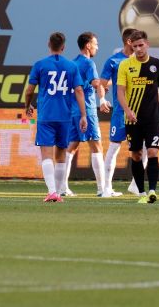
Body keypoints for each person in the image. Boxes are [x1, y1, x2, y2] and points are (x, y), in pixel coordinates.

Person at [24, 32, 87, 202]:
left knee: (46, 155)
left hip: (46, 116)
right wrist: (83, 115)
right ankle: (58, 193)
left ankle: (52, 191)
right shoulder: (72, 66)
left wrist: (27, 105)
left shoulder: (40, 65)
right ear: (63, 47)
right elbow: (79, 90)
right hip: (65, 116)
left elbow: (29, 90)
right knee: (61, 156)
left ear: (48, 44)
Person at [116, 29, 159, 204]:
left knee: (153, 152)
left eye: (141, 45)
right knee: (137, 155)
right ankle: (141, 193)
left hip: (153, 117)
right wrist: (127, 111)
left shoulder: (158, 65)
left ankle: (152, 191)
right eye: (135, 46)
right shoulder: (125, 65)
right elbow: (120, 92)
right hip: (133, 118)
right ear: (131, 46)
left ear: (147, 44)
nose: (138, 49)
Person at [59, 32, 110, 197]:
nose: (97, 47)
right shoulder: (89, 63)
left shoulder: (72, 63)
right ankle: (102, 189)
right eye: (95, 44)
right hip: (86, 110)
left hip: (72, 111)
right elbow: (96, 83)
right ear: (88, 45)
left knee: (71, 148)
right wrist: (103, 98)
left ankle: (62, 188)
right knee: (96, 146)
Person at [99, 28, 136, 197]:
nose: (140, 46)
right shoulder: (114, 61)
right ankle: (106, 188)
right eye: (137, 42)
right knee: (114, 147)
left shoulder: (142, 61)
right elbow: (102, 83)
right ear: (129, 42)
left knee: (145, 147)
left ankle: (135, 184)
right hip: (121, 112)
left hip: (139, 112)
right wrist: (102, 99)